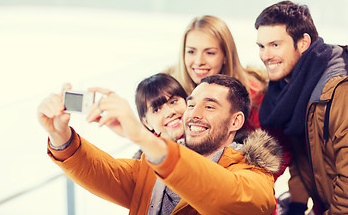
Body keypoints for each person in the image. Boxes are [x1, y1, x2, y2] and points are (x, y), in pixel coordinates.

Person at [38, 74, 283, 214]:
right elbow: (102, 172)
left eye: (209, 106)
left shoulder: (255, 175)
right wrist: (61, 135)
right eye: (190, 103)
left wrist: (143, 137)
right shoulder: (149, 166)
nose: (193, 114)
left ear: (235, 121)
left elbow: (226, 194)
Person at [255, 0, 348, 215]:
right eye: (261, 46)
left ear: (303, 43)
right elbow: (303, 155)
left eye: (275, 45)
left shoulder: (338, 90)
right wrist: (296, 206)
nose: (265, 56)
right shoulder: (289, 90)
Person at [166, 15, 268, 131]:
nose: (199, 61)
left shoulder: (253, 96)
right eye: (191, 51)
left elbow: (271, 144)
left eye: (210, 53)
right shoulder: (168, 92)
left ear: (225, 56)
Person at [133, 73, 188, 159]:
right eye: (156, 110)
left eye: (173, 102)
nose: (169, 113)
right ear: (146, 122)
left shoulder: (211, 140)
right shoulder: (143, 163)